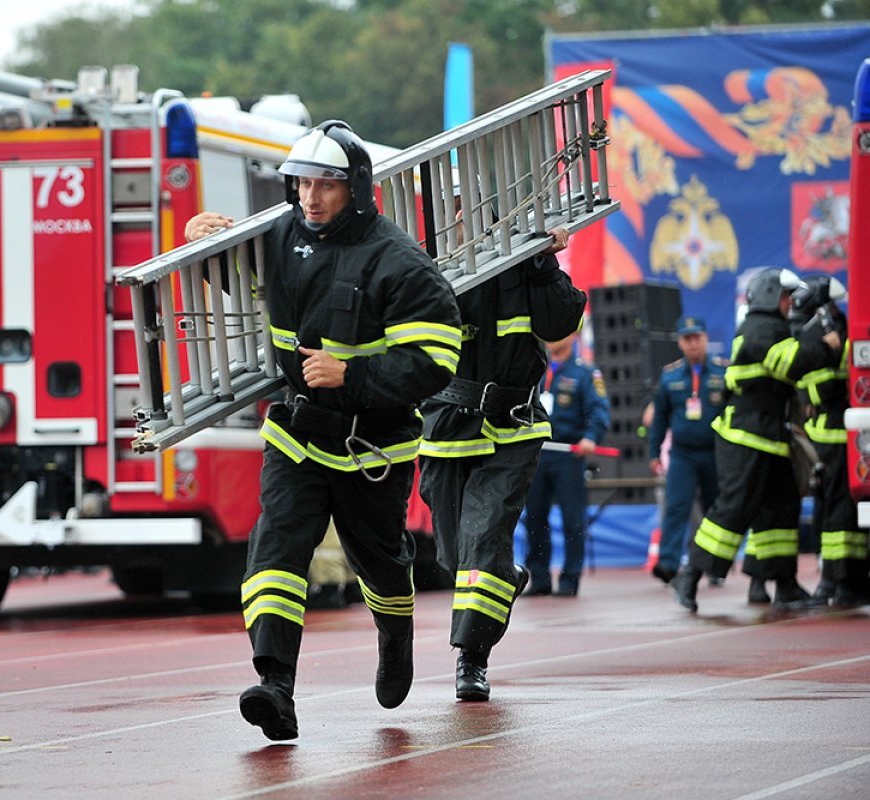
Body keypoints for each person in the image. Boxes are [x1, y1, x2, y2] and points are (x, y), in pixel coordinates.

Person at [184, 120, 461, 740]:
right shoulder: (280, 236)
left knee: (382, 565)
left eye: (325, 186)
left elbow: (436, 360)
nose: (310, 198)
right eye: (302, 184)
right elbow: (234, 279)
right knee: (276, 551)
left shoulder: (402, 263)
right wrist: (202, 242)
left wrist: (352, 374)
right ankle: (275, 684)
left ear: (356, 187)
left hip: (374, 450)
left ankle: (395, 637)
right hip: (295, 436)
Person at [418, 193, 585, 700]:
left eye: (468, 206)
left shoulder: (525, 257)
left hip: (513, 425)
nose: (460, 217)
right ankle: (504, 575)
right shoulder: (423, 266)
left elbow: (561, 325)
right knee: (454, 554)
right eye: (451, 209)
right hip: (447, 423)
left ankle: (472, 658)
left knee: (484, 535)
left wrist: (544, 264)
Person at [671, 268, 841, 612]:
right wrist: (826, 345)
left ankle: (785, 583)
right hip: (745, 438)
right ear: (768, 295)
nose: (789, 304)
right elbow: (790, 363)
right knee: (734, 508)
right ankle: (690, 574)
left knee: (782, 510)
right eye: (785, 297)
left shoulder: (775, 328)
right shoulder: (759, 328)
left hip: (772, 438)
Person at [790, 276, 868, 607]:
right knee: (840, 508)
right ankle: (839, 582)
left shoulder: (814, 333)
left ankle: (837, 581)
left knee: (833, 506)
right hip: (837, 433)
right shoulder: (822, 334)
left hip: (827, 430)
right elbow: (829, 387)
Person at [520, 332, 610, 598]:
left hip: (568, 456)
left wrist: (590, 438)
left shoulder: (585, 373)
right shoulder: (535, 368)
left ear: (572, 336)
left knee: (573, 520)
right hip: (537, 453)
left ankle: (570, 579)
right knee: (534, 518)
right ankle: (539, 578)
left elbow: (599, 410)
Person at [646, 316, 726, 584]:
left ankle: (716, 567)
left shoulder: (722, 373)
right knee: (676, 506)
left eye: (697, 337)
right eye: (687, 338)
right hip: (682, 453)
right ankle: (667, 565)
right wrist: (654, 453)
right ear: (680, 342)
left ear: (705, 339)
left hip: (715, 451)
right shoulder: (670, 376)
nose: (693, 343)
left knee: (715, 509)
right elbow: (659, 419)